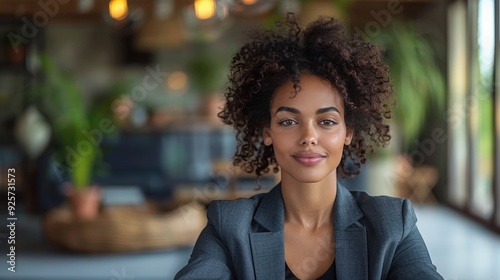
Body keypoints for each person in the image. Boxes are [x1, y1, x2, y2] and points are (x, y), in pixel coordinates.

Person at [175, 13, 443, 280]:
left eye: (327, 121)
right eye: (289, 121)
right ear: (267, 132)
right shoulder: (229, 225)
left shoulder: (392, 223)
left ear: (348, 132)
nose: (308, 136)